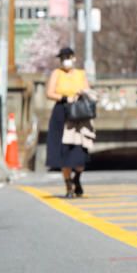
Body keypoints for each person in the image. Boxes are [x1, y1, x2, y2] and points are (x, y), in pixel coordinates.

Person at [45, 47, 95, 198]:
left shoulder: (81, 74)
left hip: (79, 114)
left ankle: (77, 178)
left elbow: (88, 90)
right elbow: (49, 93)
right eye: (62, 58)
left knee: (80, 153)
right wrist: (65, 98)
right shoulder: (57, 73)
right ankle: (68, 186)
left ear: (73, 58)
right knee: (64, 152)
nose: (65, 60)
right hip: (62, 112)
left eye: (67, 57)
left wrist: (82, 93)